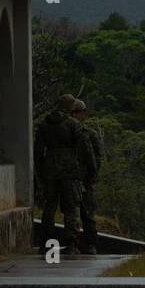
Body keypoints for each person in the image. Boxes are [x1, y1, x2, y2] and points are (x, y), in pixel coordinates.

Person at [34, 93, 96, 255]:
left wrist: (40, 172)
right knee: (71, 208)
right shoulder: (73, 124)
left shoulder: (43, 125)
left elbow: (38, 152)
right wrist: (91, 169)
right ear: (70, 107)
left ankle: (46, 242)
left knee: (49, 207)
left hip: (50, 170)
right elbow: (86, 149)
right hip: (70, 170)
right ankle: (71, 243)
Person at [72, 98, 104, 255]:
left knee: (86, 213)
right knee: (77, 213)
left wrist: (92, 175)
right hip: (74, 179)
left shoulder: (88, 134)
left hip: (81, 179)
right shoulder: (73, 132)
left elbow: (97, 157)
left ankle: (89, 244)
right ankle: (81, 244)